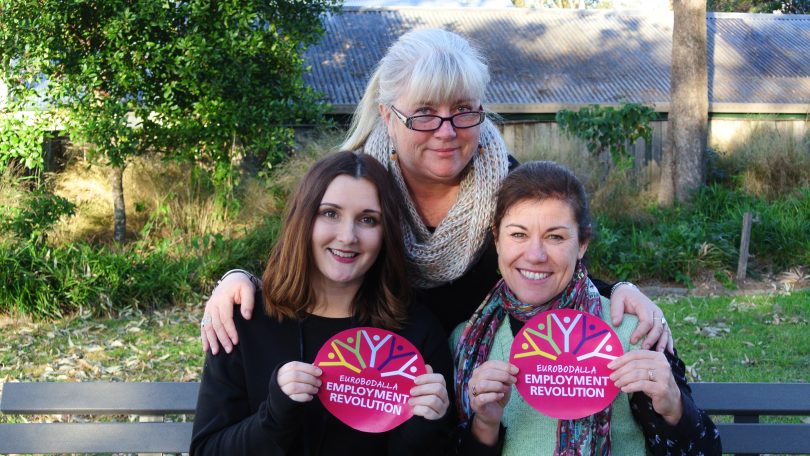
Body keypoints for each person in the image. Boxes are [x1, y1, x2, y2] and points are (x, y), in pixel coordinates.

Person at [200, 27, 673, 357]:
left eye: (464, 110)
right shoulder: (360, 183)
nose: (446, 131)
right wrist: (239, 278)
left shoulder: (511, 186)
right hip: (374, 385)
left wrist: (623, 291)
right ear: (388, 116)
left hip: (484, 386)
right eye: (424, 112)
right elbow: (309, 256)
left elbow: (552, 265)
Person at [190, 152, 454, 455]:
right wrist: (274, 414)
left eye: (368, 220)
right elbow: (206, 450)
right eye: (330, 213)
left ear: (387, 233)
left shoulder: (416, 333)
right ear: (303, 219)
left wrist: (425, 425)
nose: (347, 236)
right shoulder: (245, 322)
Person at [452, 161, 721, 455]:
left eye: (555, 237)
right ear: (497, 239)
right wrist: (485, 425)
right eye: (518, 234)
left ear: (582, 243)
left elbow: (705, 449)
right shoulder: (468, 343)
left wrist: (674, 408)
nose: (535, 254)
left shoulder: (632, 332)